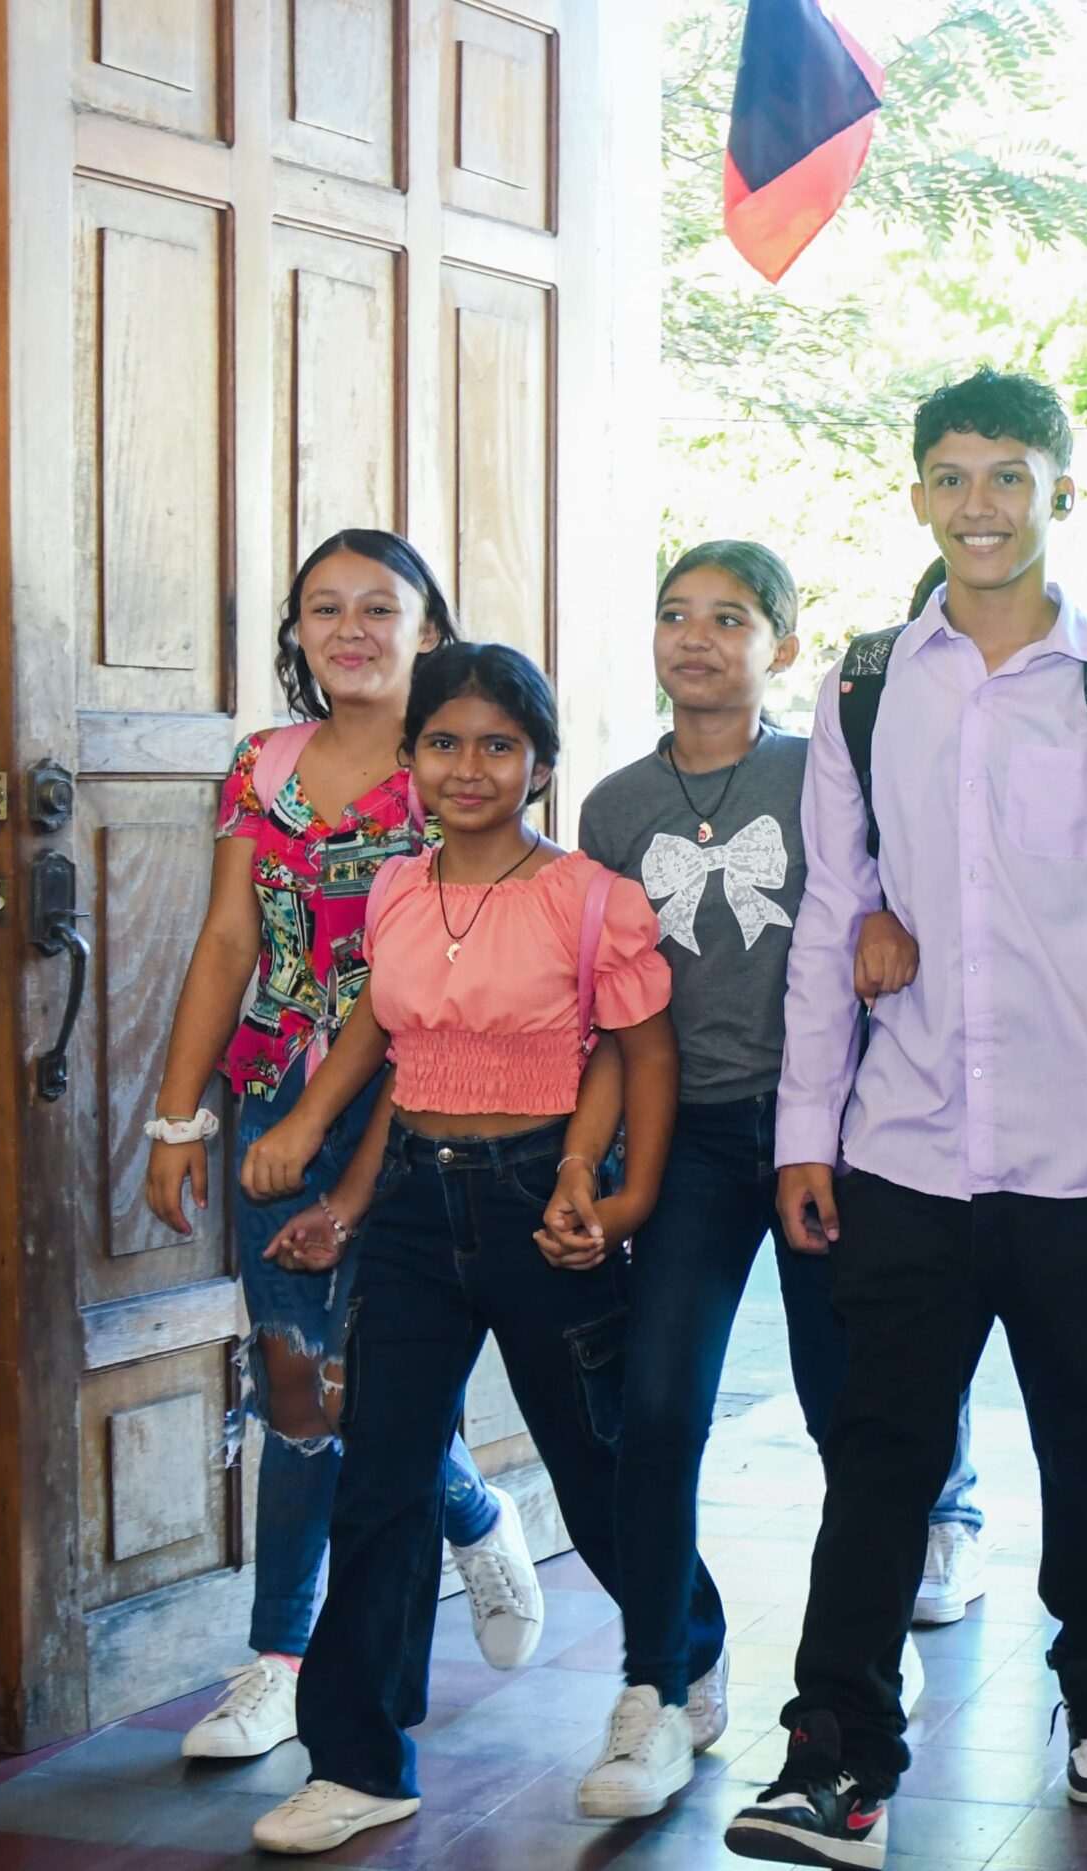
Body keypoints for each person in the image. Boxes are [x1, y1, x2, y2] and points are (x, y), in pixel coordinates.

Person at [723, 368, 1087, 1868]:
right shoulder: (864, 681)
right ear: (917, 495)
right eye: (954, 476)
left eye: (1010, 476)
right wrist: (805, 1131)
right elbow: (837, 905)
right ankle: (835, 1752)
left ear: (1060, 491)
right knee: (880, 1447)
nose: (981, 505)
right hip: (905, 1135)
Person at [242, 644, 678, 1854]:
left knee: (594, 1462)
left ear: (539, 762)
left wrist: (624, 1199)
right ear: (411, 757)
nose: (468, 766)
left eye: (498, 743)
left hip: (541, 1202)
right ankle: (359, 1759)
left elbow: (641, 1054)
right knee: (380, 1479)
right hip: (413, 1214)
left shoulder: (589, 897)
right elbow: (389, 1046)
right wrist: (330, 1168)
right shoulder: (397, 886)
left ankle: (678, 1667)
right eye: (443, 741)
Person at [139, 530, 537, 1764]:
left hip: (421, 1112)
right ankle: (298, 1645)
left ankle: (314, 1648)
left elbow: (449, 965)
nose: (350, 629)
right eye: (324, 608)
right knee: (294, 1383)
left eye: (379, 606)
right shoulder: (262, 764)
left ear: (430, 628)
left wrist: (335, 1118)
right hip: (274, 1100)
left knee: (379, 1385)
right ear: (298, 630)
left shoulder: (454, 766)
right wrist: (178, 1115)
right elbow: (226, 940)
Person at [561, 541, 937, 1816]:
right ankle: (661, 1677)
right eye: (676, 613)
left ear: (783, 643)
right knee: (658, 1405)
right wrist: (592, 1154)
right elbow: (611, 1009)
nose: (697, 637)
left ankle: (860, 1660)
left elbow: (897, 905)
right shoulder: (614, 807)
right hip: (690, 1136)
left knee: (851, 1413)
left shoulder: (823, 771)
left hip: (833, 1128)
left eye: (731, 617)